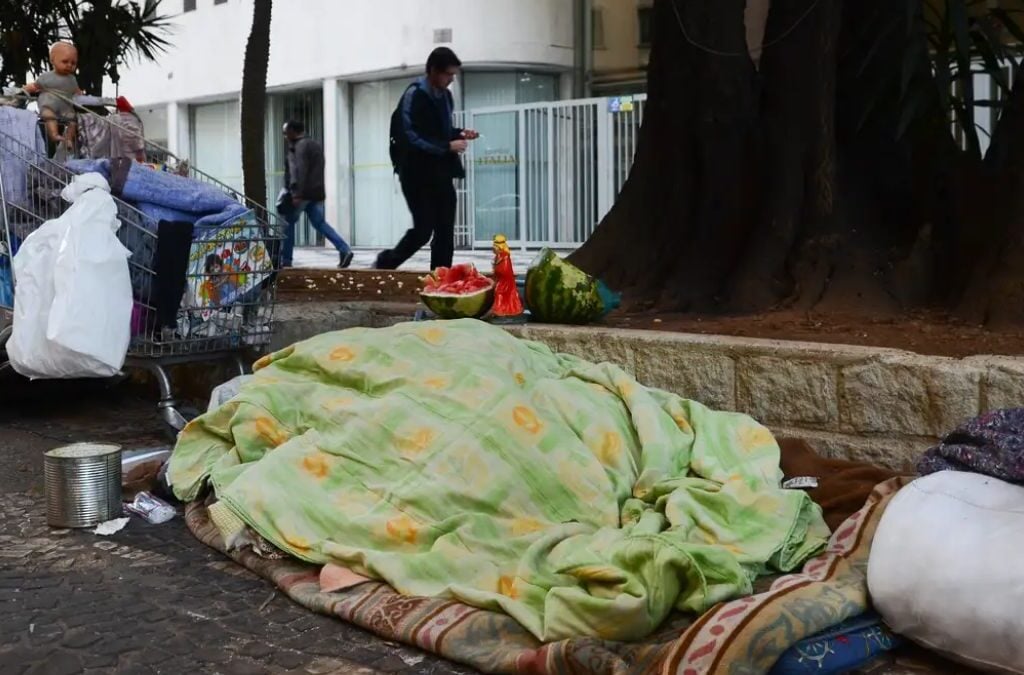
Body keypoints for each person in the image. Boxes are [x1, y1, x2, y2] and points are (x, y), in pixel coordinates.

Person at [375, 47, 479, 271]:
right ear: (433, 71)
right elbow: (410, 135)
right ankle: (385, 263)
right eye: (448, 74)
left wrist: (459, 133)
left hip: (441, 172)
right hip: (415, 174)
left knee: (445, 230)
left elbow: (439, 131)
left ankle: (441, 278)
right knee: (423, 230)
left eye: (453, 75)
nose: (451, 79)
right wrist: (447, 146)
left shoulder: (446, 97)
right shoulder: (415, 94)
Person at [279, 120, 353, 268]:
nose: (285, 136)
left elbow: (299, 171)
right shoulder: (315, 145)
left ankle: (286, 260)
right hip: (317, 194)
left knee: (287, 223)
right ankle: (344, 249)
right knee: (320, 223)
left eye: (286, 132)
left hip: (302, 195)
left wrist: (296, 193)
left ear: (293, 131)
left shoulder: (298, 147)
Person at [24, 42, 83, 150]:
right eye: (65, 61)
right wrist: (25, 89)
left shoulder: (72, 79)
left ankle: (68, 139)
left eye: (73, 63)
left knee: (72, 120)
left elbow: (76, 90)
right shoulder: (46, 77)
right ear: (52, 60)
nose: (69, 65)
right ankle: (54, 135)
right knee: (49, 117)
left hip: (65, 105)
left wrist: (80, 93)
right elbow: (35, 86)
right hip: (49, 104)